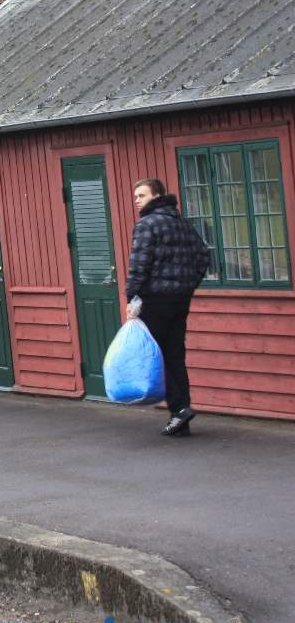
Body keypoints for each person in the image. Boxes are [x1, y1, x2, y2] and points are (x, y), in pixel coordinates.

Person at [126, 178, 209, 437]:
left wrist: (132, 298)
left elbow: (139, 265)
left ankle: (179, 409)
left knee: (158, 355)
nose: (137, 200)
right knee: (174, 355)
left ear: (157, 195)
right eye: (136, 195)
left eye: (142, 195)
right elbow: (204, 256)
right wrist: (188, 285)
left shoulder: (146, 225)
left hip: (155, 300)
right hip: (180, 299)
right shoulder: (183, 224)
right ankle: (181, 414)